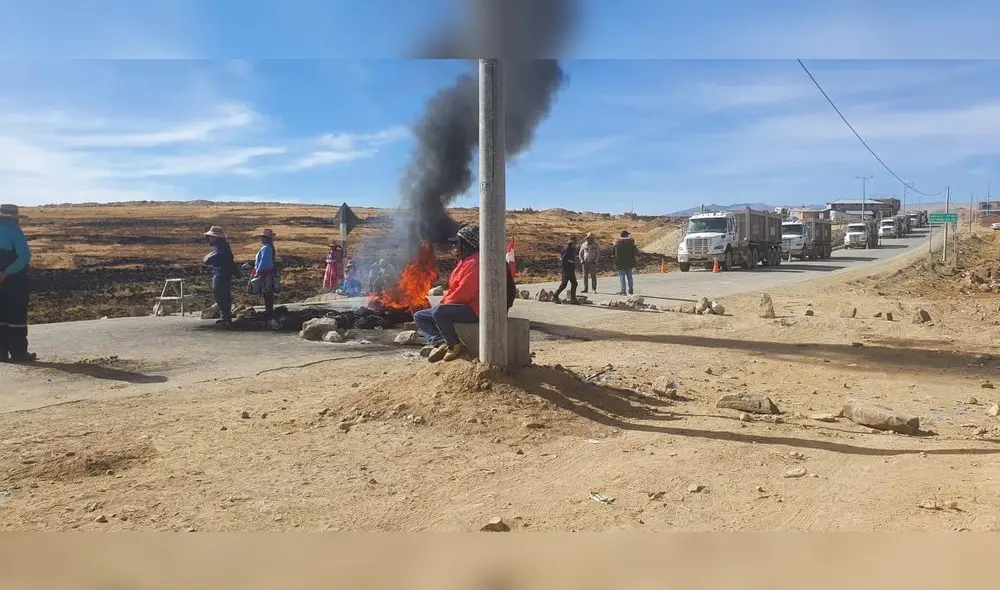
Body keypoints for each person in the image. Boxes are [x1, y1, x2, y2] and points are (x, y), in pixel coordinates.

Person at [413, 225, 480, 363]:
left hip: (474, 309)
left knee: (440, 312)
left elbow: (464, 292)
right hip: (460, 305)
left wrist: (444, 304)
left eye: (457, 243)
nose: (454, 247)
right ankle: (440, 342)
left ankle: (454, 344)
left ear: (467, 244)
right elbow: (454, 289)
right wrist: (445, 301)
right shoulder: (464, 262)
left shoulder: (475, 263)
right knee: (420, 316)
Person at [0, 204, 36, 362]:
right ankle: (18, 352)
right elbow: (24, 257)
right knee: (16, 316)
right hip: (15, 281)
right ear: (14, 217)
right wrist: (6, 273)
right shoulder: (14, 230)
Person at [203, 225, 236, 327]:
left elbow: (208, 259)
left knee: (220, 295)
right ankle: (225, 317)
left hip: (221, 274)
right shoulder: (223, 246)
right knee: (223, 295)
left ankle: (225, 318)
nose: (210, 239)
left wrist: (206, 259)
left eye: (211, 237)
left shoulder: (221, 247)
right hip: (223, 274)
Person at [247, 228, 281, 315]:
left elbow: (264, 261)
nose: (261, 239)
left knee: (267, 292)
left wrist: (258, 271)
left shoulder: (266, 248)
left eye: (262, 237)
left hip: (265, 273)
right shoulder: (269, 248)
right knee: (268, 292)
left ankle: (268, 311)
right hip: (268, 272)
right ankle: (269, 310)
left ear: (266, 239)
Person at [553, 236, 580, 305]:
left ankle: (556, 296)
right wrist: (570, 261)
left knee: (565, 284)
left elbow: (561, 257)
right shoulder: (569, 248)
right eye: (575, 242)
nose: (576, 243)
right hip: (567, 269)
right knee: (572, 283)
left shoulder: (569, 248)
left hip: (568, 269)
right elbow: (563, 259)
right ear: (573, 242)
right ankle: (572, 299)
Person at [613, 230, 640, 296]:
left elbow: (613, 254)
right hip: (629, 263)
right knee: (630, 277)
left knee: (622, 277)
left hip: (620, 263)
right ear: (626, 235)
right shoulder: (631, 243)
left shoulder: (616, 244)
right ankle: (630, 291)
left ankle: (623, 291)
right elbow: (637, 252)